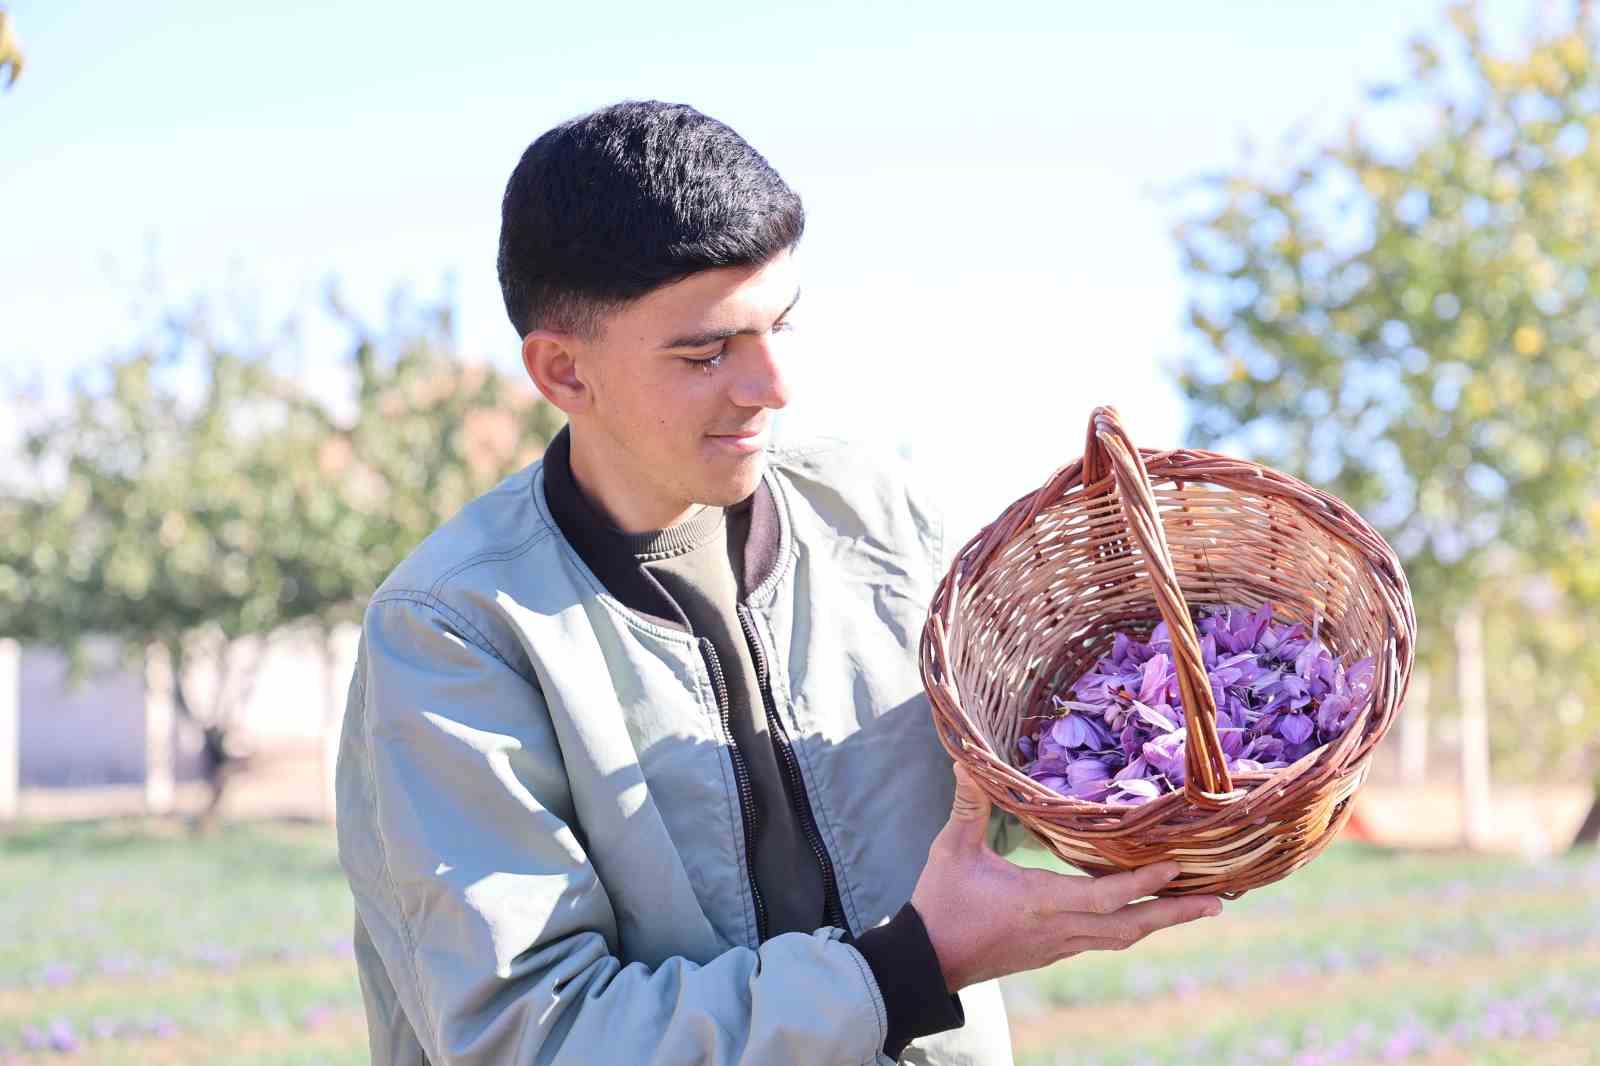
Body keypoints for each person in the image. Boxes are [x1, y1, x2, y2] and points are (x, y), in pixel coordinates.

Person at [334, 99, 1224, 1066]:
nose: (773, 386)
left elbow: (1003, 786)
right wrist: (911, 970)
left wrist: (1167, 753)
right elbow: (532, 1036)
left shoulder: (875, 514)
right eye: (706, 352)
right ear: (563, 372)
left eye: (780, 325)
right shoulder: (454, 632)